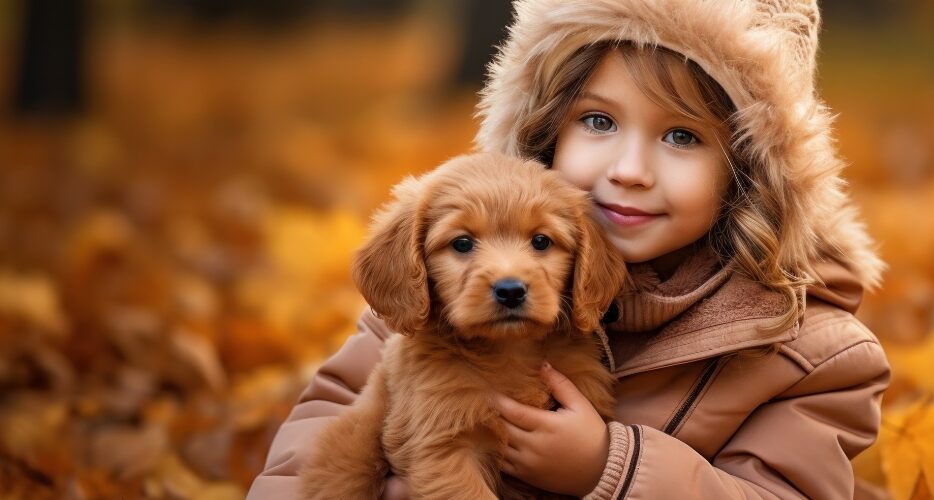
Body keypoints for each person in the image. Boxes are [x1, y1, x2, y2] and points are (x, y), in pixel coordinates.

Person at [247, 0, 890, 498]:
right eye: (600, 121)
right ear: (548, 127)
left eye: (683, 136)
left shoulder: (812, 356)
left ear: (747, 170)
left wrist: (609, 470)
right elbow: (317, 437)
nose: (630, 169)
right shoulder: (426, 307)